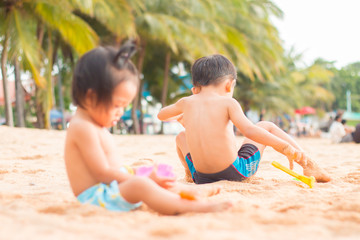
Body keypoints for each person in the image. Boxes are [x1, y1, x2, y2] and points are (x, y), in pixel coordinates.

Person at [64, 44, 231, 215]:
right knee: (140, 183)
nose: (121, 112)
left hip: (110, 186)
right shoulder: (82, 128)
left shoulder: (94, 124)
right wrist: (140, 178)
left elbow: (114, 170)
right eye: (117, 105)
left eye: (124, 106)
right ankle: (188, 207)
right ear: (91, 97)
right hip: (97, 198)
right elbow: (101, 173)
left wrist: (144, 173)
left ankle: (186, 192)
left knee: (149, 170)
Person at [158, 54, 331, 184]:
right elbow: (250, 130)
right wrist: (283, 147)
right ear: (228, 84)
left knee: (181, 137)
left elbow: (161, 115)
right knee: (266, 125)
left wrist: (183, 113)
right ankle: (310, 165)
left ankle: (189, 174)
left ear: (195, 88)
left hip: (201, 177)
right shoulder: (228, 102)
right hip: (234, 172)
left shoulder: (186, 102)